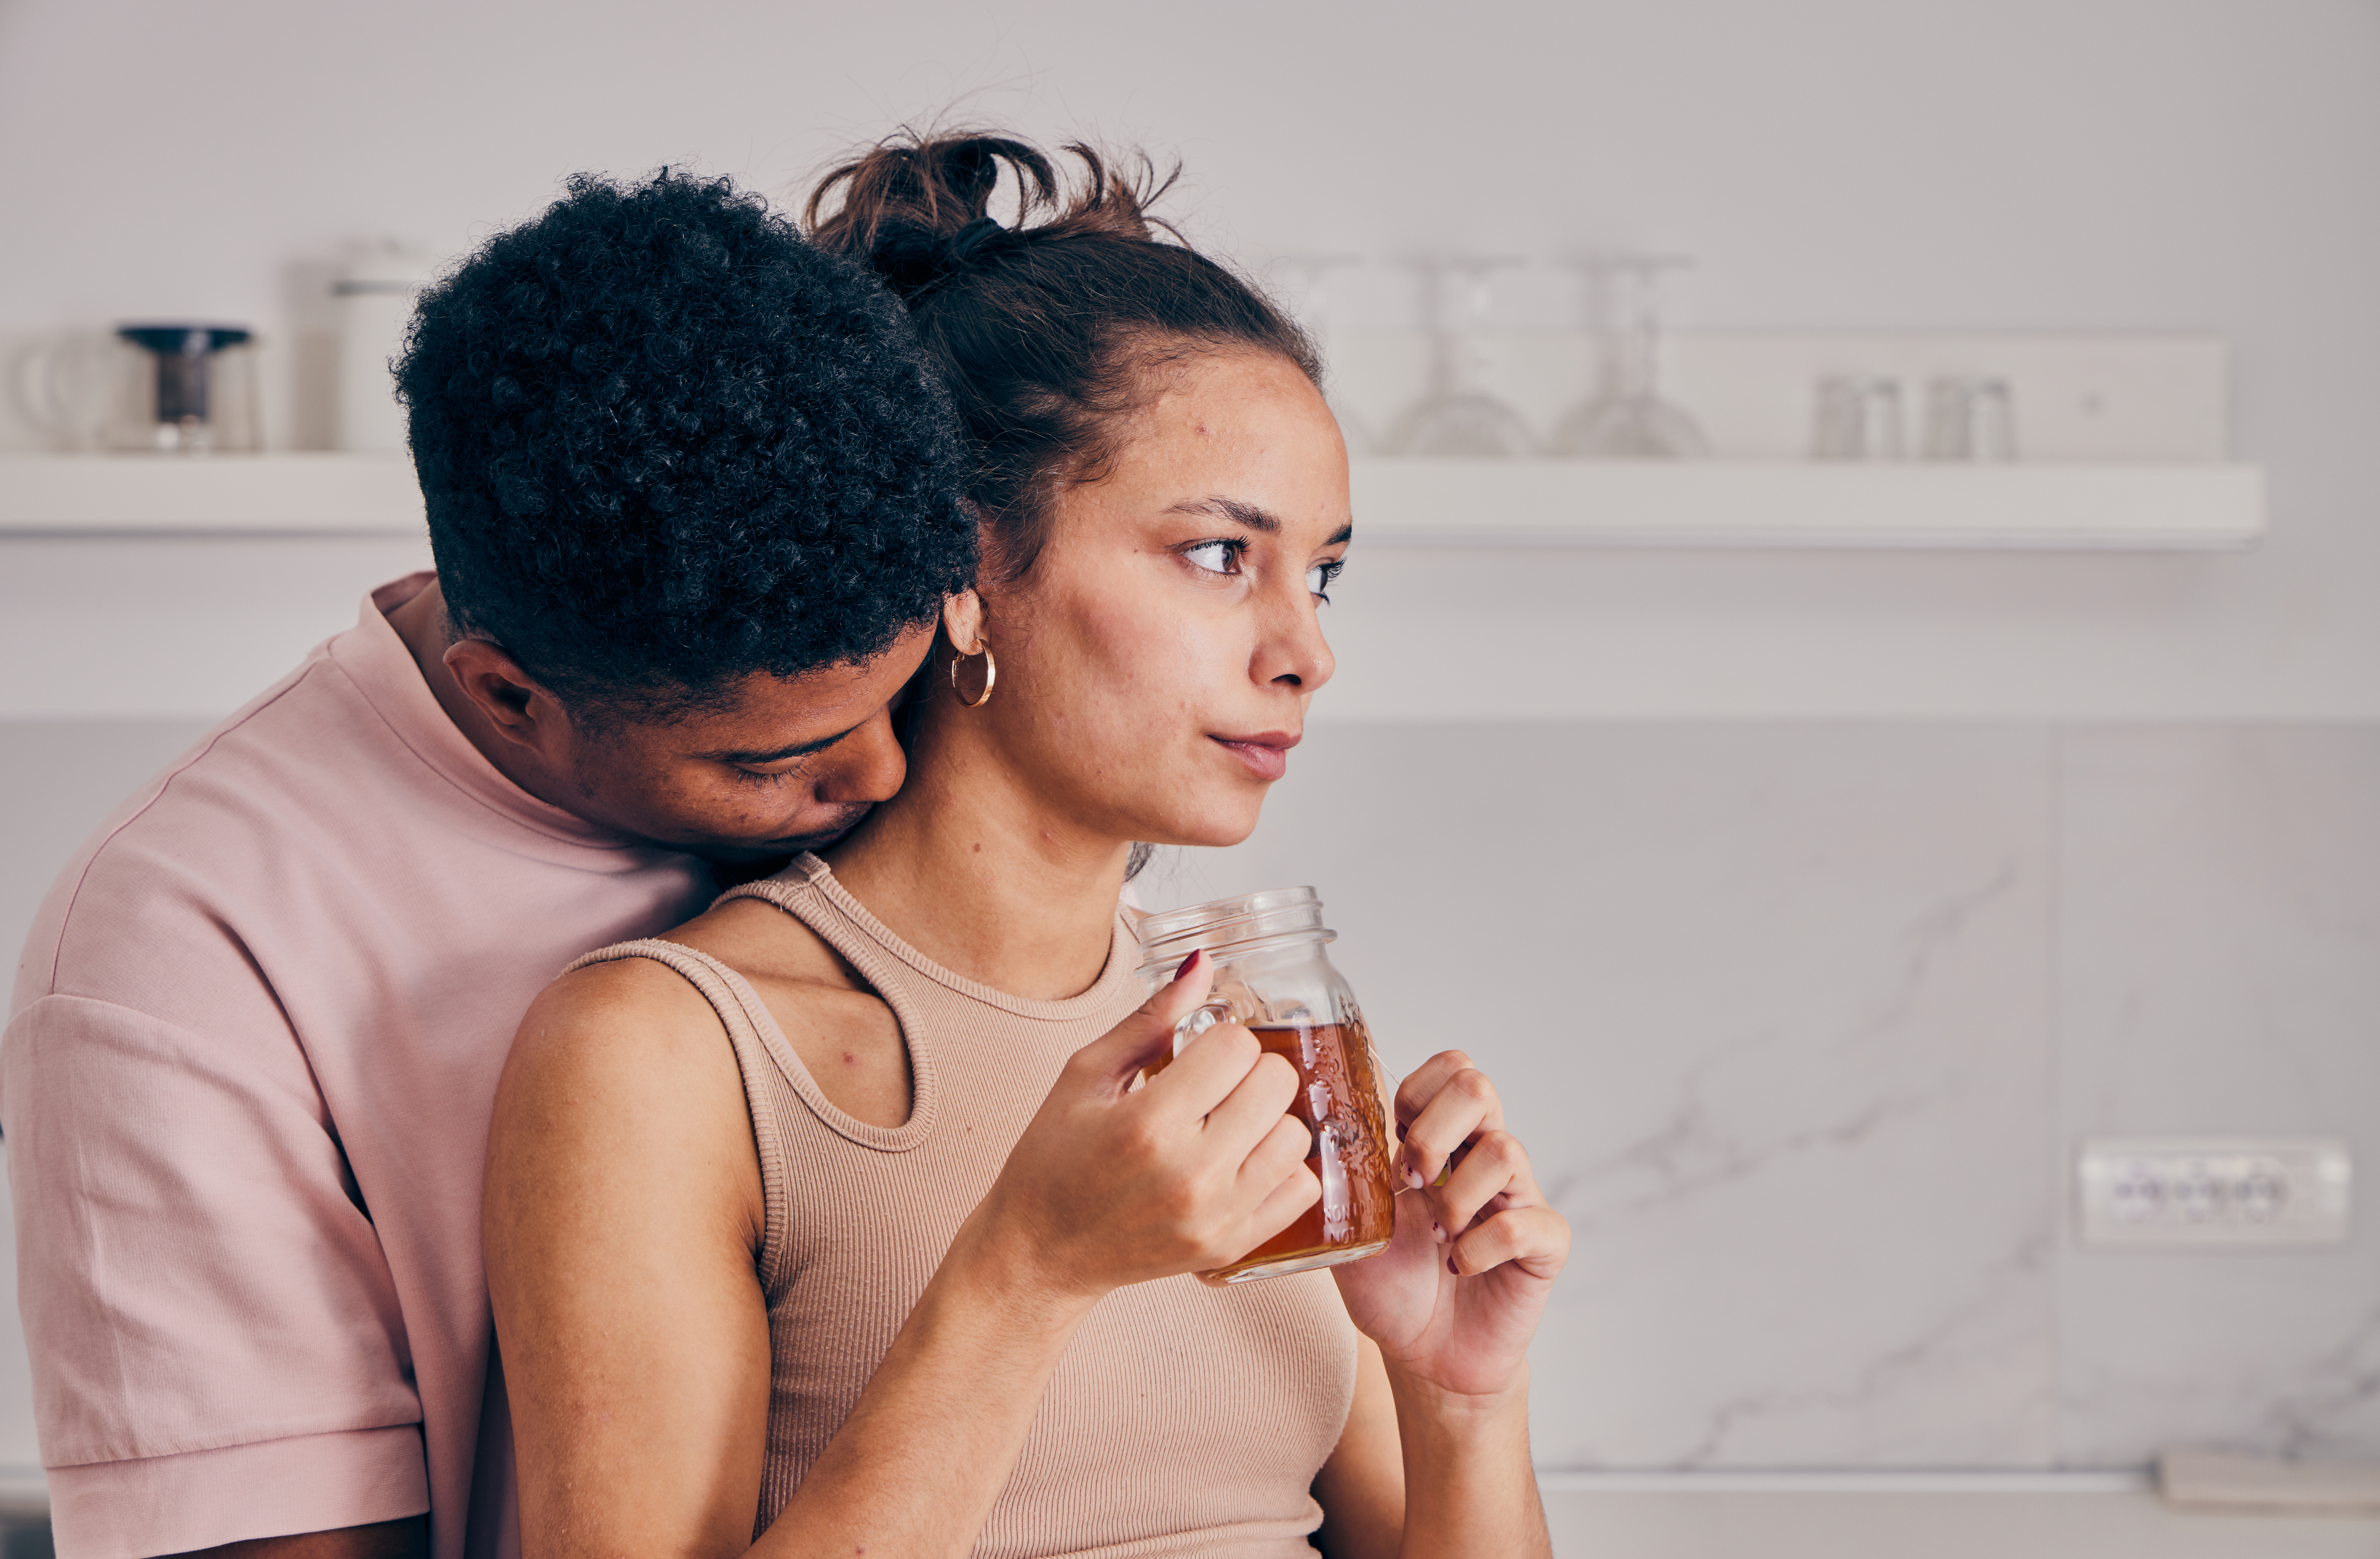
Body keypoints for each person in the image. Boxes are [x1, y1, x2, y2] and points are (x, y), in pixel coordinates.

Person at [484, 133, 1571, 1558]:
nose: (1305, 649)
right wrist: (1024, 1272)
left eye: (1322, 573)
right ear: (970, 575)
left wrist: (1456, 1398)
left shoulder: (1247, 1044)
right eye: (1215, 555)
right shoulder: (669, 1051)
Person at [2, 171, 976, 1559]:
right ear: (509, 694)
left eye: (905, 693)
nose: (883, 778)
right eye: (774, 762)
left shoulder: (870, 727)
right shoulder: (174, 952)